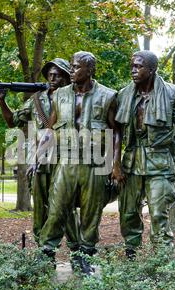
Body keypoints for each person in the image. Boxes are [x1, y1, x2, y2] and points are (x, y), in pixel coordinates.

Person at [39, 51, 123, 274]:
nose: (72, 71)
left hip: (94, 163)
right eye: (72, 66)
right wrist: (39, 155)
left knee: (90, 213)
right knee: (56, 210)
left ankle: (84, 256)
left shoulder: (107, 96)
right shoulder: (59, 95)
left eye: (76, 67)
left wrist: (115, 165)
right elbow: (50, 128)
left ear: (90, 70)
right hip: (66, 161)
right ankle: (46, 254)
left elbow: (116, 132)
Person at [113, 50, 175, 258]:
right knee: (127, 213)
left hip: (160, 163)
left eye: (139, 66)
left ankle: (162, 263)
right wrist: (115, 164)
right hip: (131, 161)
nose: (133, 70)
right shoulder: (124, 94)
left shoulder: (172, 94)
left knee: (158, 214)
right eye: (132, 66)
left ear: (152, 69)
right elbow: (116, 131)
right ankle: (131, 256)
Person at [0, 58, 80, 253]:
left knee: (65, 206)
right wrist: (1, 100)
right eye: (49, 73)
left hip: (65, 158)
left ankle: (77, 252)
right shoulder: (35, 100)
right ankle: (44, 251)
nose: (52, 76)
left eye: (57, 73)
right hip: (40, 160)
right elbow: (12, 121)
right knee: (40, 208)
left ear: (67, 77)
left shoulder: (75, 98)